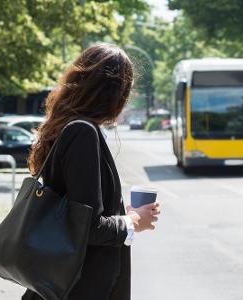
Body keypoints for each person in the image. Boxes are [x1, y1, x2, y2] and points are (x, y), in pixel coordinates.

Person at [23, 43, 160, 300]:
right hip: (81, 287)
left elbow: (78, 212)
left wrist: (124, 215)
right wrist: (132, 221)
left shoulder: (69, 128)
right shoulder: (82, 132)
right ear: (115, 92)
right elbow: (89, 227)